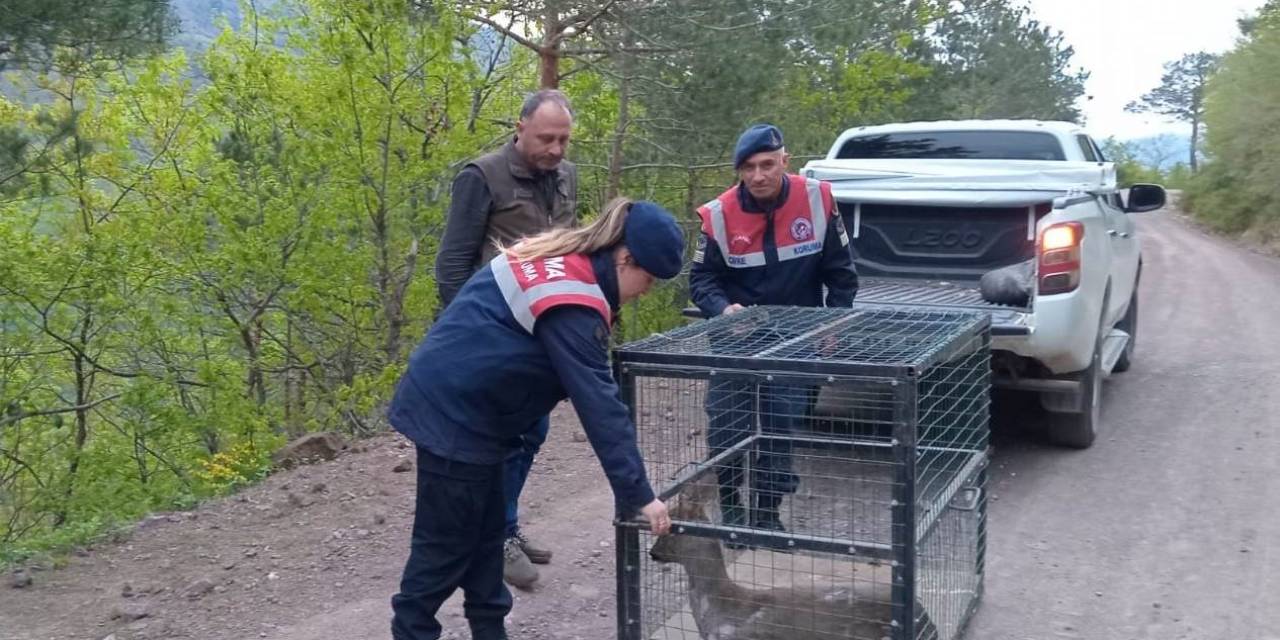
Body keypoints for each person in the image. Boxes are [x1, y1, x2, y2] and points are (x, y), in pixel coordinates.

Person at [388, 198, 681, 640]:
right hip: (454, 418)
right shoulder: (575, 301)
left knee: (488, 541)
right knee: (443, 551)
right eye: (648, 278)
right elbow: (599, 405)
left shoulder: (564, 258)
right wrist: (639, 493)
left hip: (479, 417)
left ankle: (491, 631)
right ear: (625, 258)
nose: (646, 290)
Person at [434, 89, 578, 588]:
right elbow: (452, 265)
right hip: (492, 335)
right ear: (520, 127)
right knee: (496, 440)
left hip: (541, 332)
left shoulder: (566, 176)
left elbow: (569, 249)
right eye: (546, 138)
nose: (556, 149)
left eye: (563, 139)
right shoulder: (481, 177)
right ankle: (493, 540)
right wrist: (466, 338)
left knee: (531, 433)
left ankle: (506, 526)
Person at [689, 123, 858, 533]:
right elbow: (700, 280)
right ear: (739, 170)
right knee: (728, 426)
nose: (759, 175)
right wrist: (722, 309)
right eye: (748, 167)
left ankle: (767, 514)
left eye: (767, 164)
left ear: (785, 161)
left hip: (796, 335)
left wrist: (833, 320)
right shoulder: (718, 215)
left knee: (781, 425)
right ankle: (730, 507)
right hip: (735, 337)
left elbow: (841, 273)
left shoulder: (817, 200)